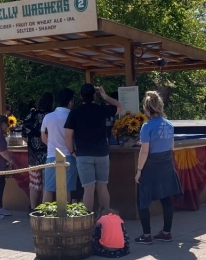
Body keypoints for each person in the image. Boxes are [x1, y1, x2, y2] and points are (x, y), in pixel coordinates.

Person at [65, 84, 123, 214]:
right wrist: (105, 95)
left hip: (83, 154)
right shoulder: (101, 109)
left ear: (80, 96)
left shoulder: (75, 112)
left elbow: (68, 135)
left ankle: (88, 219)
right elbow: (120, 106)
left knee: (88, 188)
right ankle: (106, 218)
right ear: (95, 96)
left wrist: (72, 151)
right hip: (102, 153)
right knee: (102, 186)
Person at [134, 91, 182, 244]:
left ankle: (146, 235)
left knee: (143, 199)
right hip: (167, 164)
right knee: (166, 198)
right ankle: (166, 232)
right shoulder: (169, 125)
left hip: (151, 166)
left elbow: (145, 151)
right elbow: (171, 147)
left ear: (147, 109)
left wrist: (139, 171)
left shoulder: (146, 126)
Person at [41, 88, 78, 201]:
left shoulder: (48, 117)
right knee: (66, 189)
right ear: (71, 102)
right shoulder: (74, 116)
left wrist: (52, 145)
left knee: (48, 189)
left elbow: (43, 137)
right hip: (70, 155)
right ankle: (65, 217)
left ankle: (44, 216)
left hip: (52, 155)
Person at [22, 93, 52, 209]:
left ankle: (33, 208)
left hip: (33, 155)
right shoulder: (50, 116)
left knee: (34, 184)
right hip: (47, 155)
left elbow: (24, 136)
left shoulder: (30, 116)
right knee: (46, 184)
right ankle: (44, 210)